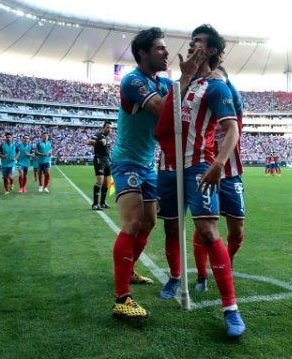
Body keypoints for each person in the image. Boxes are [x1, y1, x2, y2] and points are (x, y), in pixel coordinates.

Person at [154, 24, 245, 338]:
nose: (191, 45)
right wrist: (182, 78)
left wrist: (219, 163)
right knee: (169, 227)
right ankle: (176, 277)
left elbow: (231, 129)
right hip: (166, 167)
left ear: (210, 51)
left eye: (198, 42)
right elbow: (163, 126)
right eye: (191, 41)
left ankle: (230, 308)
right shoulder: (175, 85)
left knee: (207, 231)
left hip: (198, 167)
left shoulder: (216, 87)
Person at [110, 27, 181, 320]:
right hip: (126, 160)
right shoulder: (133, 81)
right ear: (143, 53)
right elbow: (162, 109)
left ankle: (129, 267)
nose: (166, 53)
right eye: (160, 48)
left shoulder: (162, 83)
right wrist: (185, 80)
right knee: (132, 221)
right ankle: (121, 298)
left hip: (147, 164)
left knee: (150, 221)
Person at [192, 65, 245, 294]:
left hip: (231, 175)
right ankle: (202, 274)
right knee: (204, 226)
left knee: (237, 229)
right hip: (205, 172)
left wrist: (226, 80)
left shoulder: (232, 110)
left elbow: (238, 101)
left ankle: (228, 258)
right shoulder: (201, 114)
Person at [87, 121, 113, 210]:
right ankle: (95, 204)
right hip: (99, 160)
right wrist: (99, 142)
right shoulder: (98, 135)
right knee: (100, 180)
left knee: (106, 182)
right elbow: (89, 142)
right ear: (103, 128)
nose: (109, 129)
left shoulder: (109, 138)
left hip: (107, 160)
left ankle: (102, 203)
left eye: (111, 128)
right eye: (108, 127)